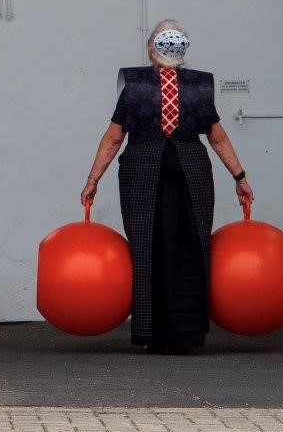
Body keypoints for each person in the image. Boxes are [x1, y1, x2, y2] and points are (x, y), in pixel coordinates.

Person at [80, 20, 254, 354]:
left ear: (150, 48)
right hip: (193, 172)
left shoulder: (134, 85)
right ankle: (188, 333)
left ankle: (151, 331)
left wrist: (93, 180)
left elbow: (114, 137)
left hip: (141, 172)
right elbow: (217, 137)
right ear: (184, 52)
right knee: (192, 246)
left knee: (146, 246)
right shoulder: (200, 86)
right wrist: (240, 177)